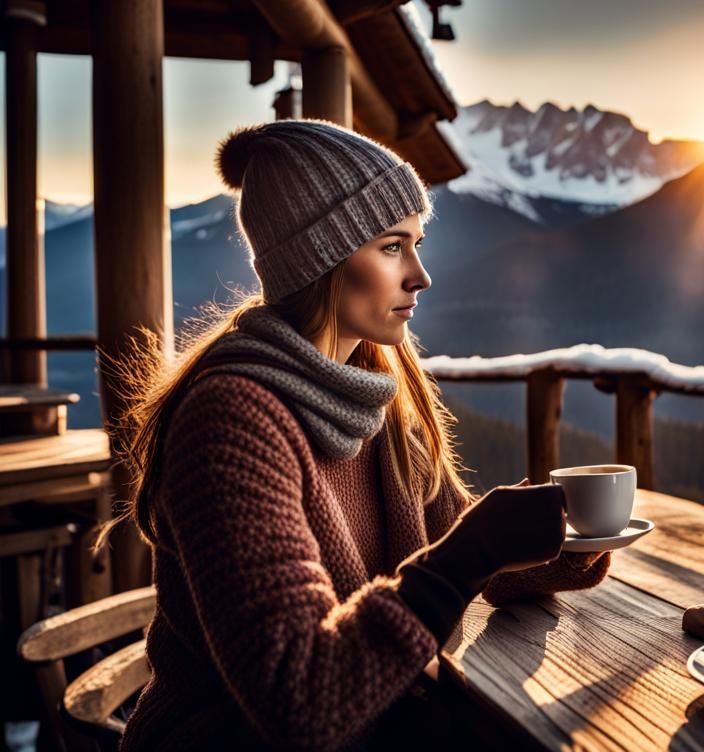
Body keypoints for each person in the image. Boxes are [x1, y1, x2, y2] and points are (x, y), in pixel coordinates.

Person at [99, 119, 611, 750]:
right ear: (323, 259)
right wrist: (476, 547)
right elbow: (301, 698)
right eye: (393, 247)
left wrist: (561, 547)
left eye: (417, 244)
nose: (420, 275)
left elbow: (448, 558)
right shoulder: (233, 419)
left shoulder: (368, 388)